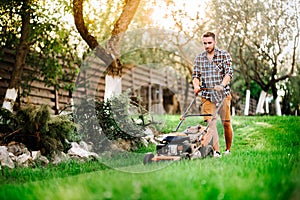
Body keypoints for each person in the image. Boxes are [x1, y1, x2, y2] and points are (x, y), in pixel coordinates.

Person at [192, 31, 233, 157]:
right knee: (211, 123)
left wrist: (221, 85)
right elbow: (195, 76)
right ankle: (217, 151)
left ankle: (227, 149)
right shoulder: (199, 58)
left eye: (209, 43)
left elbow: (229, 74)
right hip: (207, 95)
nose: (207, 45)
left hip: (223, 94)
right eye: (205, 43)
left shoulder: (224, 55)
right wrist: (196, 86)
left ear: (214, 42)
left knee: (226, 123)